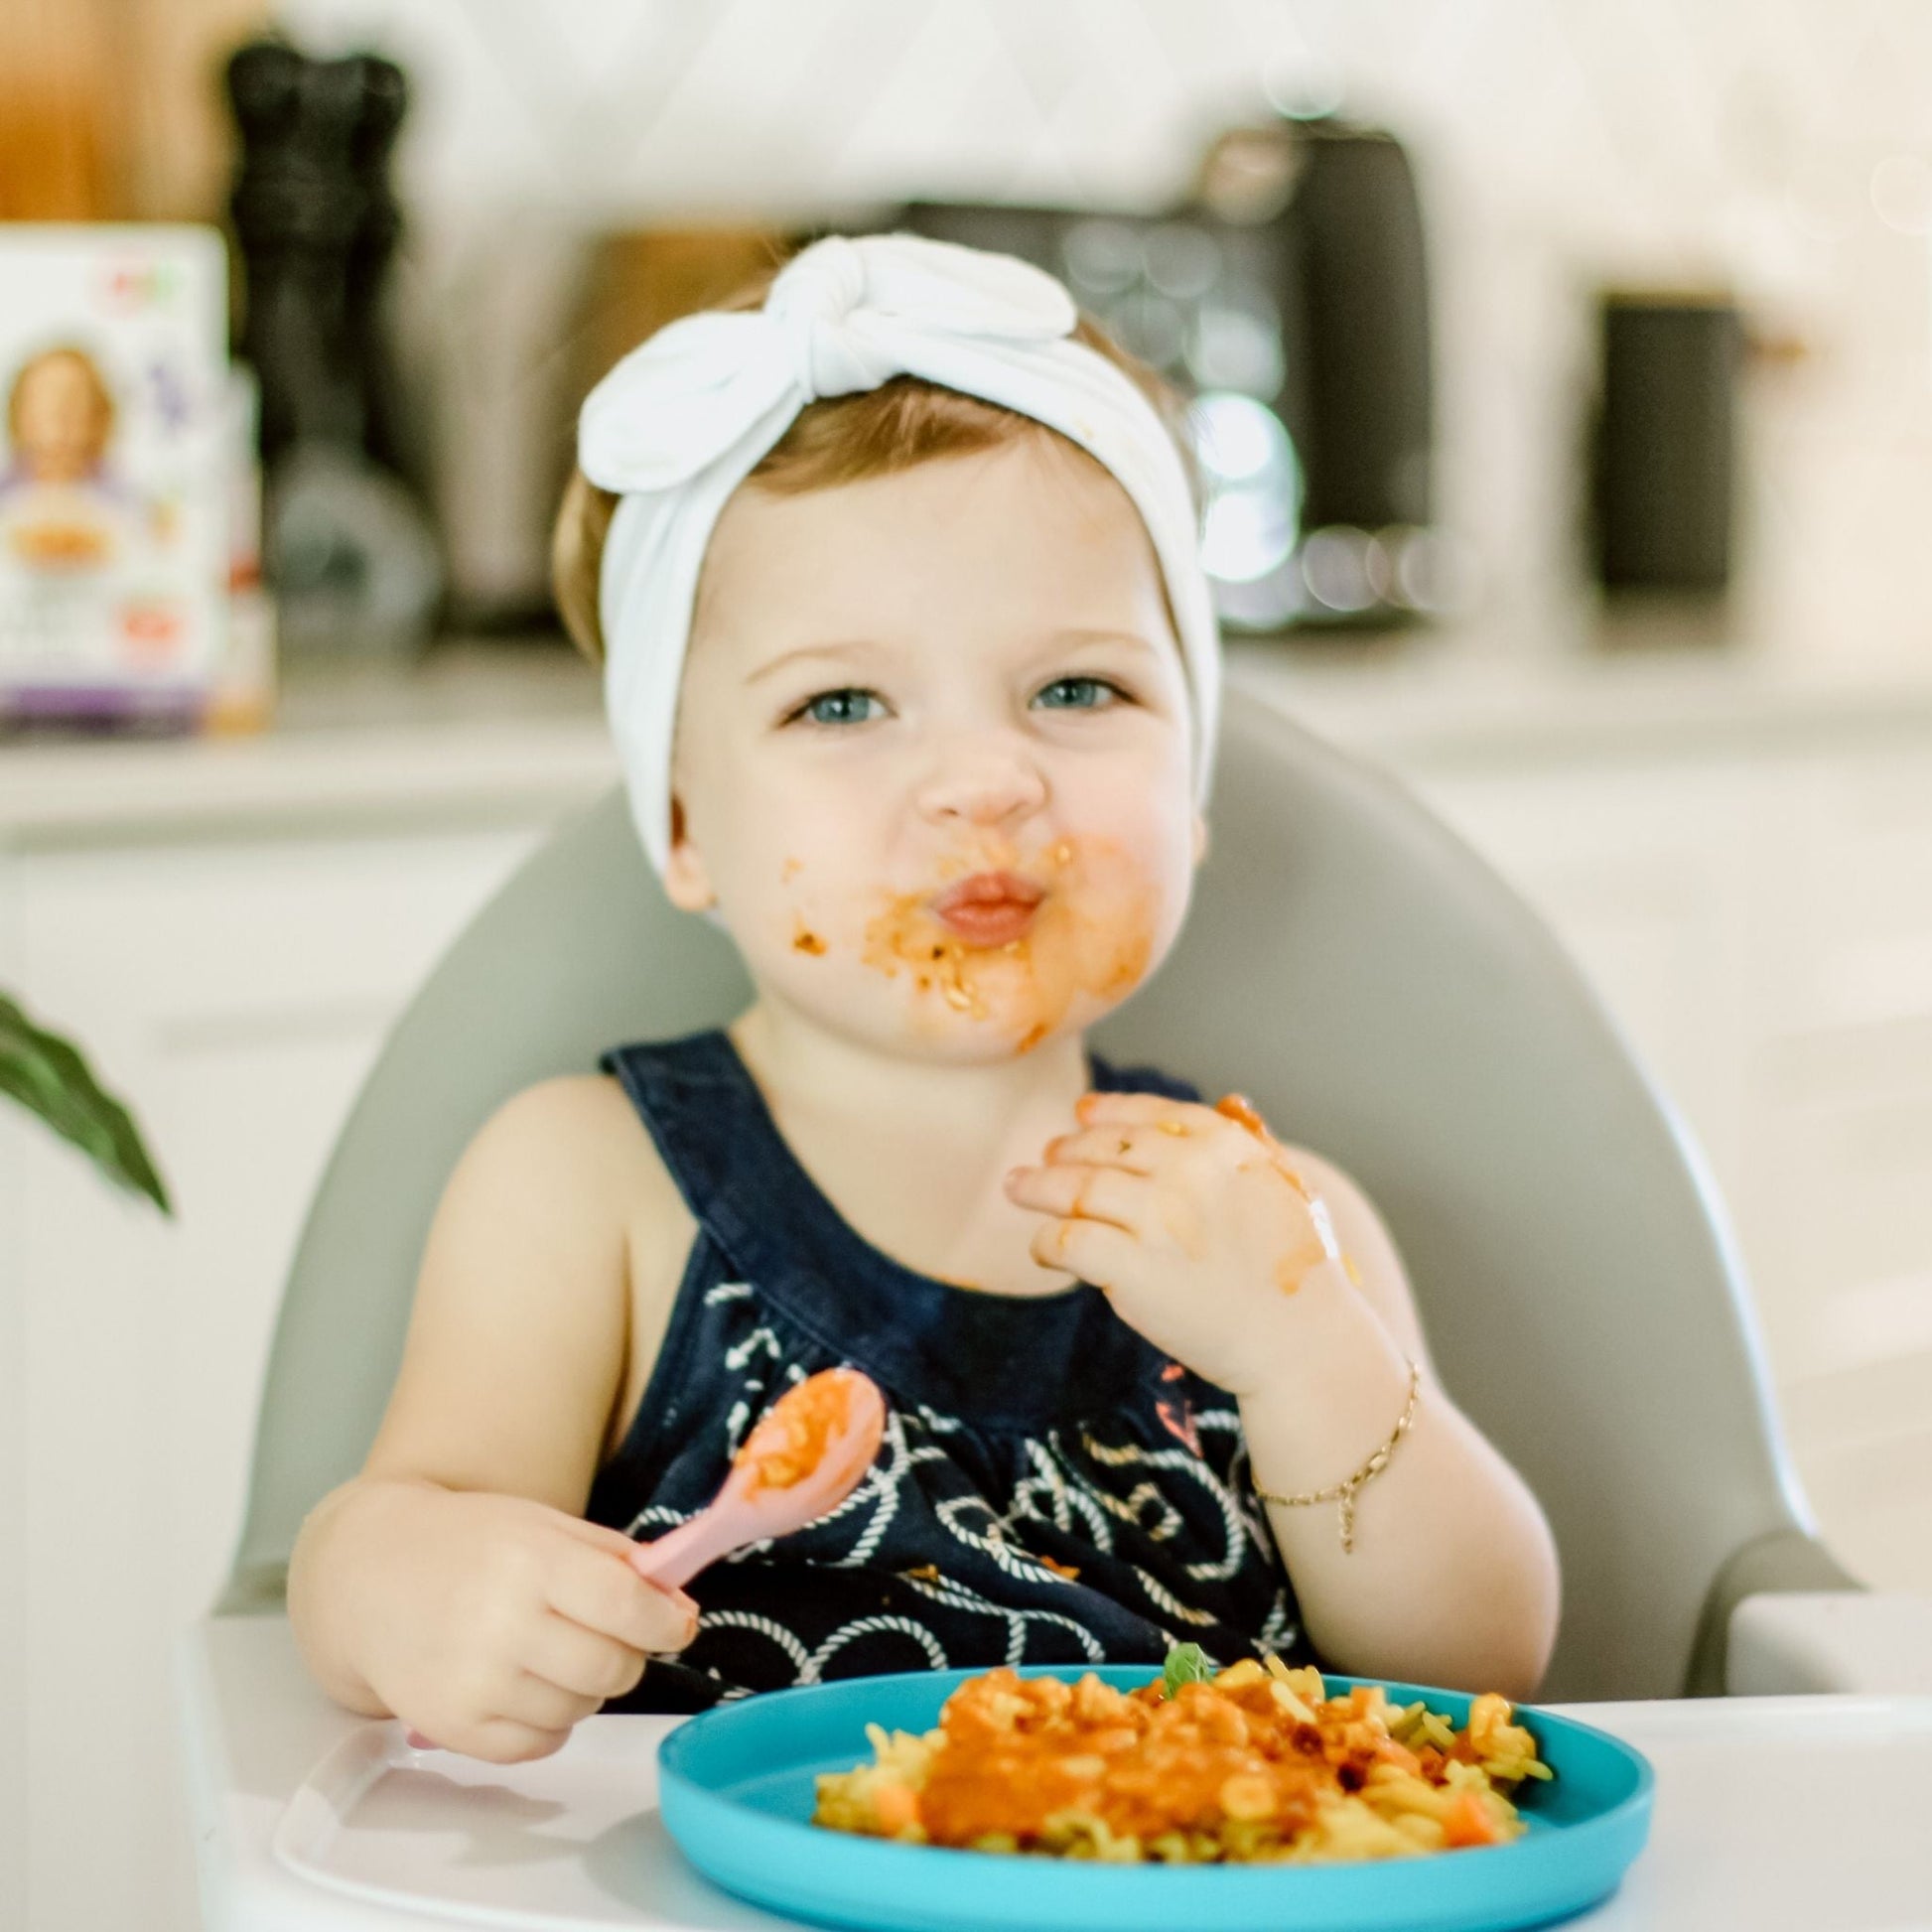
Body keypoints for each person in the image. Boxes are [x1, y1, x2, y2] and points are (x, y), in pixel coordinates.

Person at [288, 233, 1559, 1764]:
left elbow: (1481, 1661)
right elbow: (379, 1535)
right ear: (683, 825)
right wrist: (404, 1591)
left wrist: (1307, 1359)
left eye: (1076, 690)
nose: (982, 780)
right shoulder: (588, 1189)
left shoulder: (1282, 1228)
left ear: (1192, 779)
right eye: (841, 703)